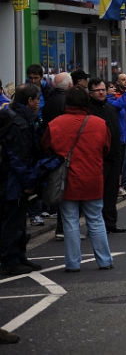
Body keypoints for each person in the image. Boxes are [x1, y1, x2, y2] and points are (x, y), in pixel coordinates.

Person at [41, 87, 114, 272]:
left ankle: (73, 263)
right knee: (96, 220)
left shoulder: (55, 124)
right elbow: (106, 148)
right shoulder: (99, 124)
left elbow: (45, 147)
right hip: (93, 178)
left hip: (67, 180)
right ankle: (105, 260)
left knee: (70, 222)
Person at [0, 84, 43, 275]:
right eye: (37, 99)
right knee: (13, 221)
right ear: (30, 101)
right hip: (12, 181)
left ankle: (19, 257)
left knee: (18, 221)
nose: (39, 103)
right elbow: (19, 157)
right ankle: (10, 260)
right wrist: (28, 183)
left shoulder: (17, 117)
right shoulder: (19, 123)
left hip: (12, 179)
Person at [87, 78, 126, 234]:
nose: (101, 93)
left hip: (114, 156)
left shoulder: (110, 107)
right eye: (97, 90)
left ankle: (111, 223)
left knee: (112, 192)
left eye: (103, 89)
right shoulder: (90, 110)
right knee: (98, 193)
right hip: (99, 158)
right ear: (90, 93)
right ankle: (97, 225)